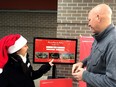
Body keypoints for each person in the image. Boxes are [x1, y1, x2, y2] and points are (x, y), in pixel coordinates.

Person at [72, 4, 116, 87]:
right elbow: (98, 56)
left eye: (89, 20)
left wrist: (85, 75)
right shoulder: (100, 36)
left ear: (98, 18)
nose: (88, 24)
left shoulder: (113, 42)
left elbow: (113, 83)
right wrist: (82, 63)